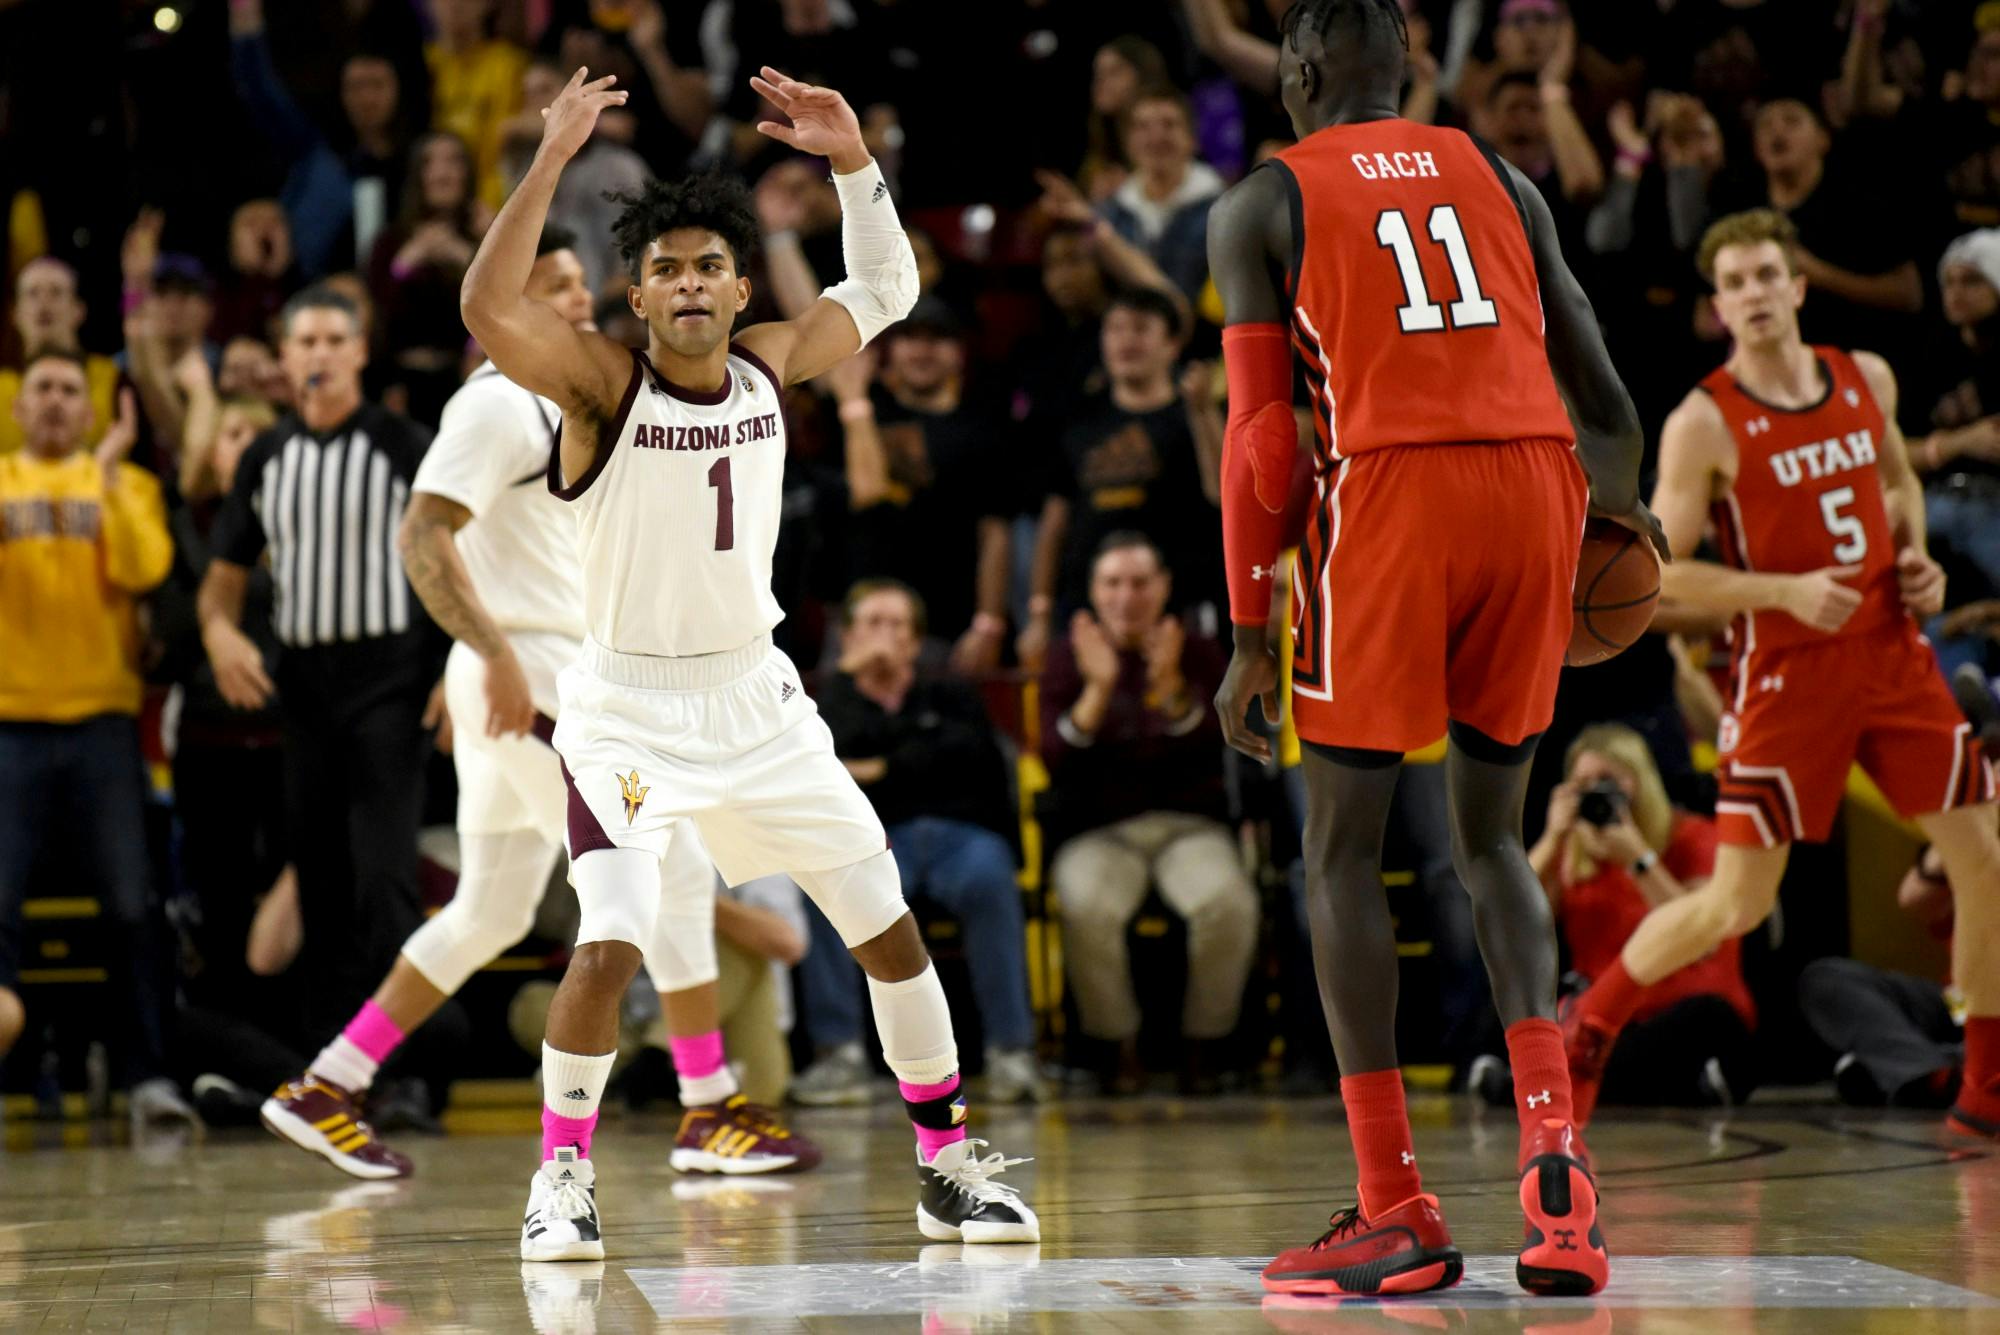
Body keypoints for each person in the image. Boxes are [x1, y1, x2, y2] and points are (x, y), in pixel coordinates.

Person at [459, 64, 1038, 1260]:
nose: (686, 282)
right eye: (662, 267)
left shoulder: (773, 362)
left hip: (758, 698)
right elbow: (485, 306)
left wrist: (852, 161)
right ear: (632, 292)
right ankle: (560, 1176)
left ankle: (944, 1162)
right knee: (608, 939)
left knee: (885, 926)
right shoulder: (596, 382)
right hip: (621, 705)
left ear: (732, 287)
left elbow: (885, 284)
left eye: (706, 265)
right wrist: (551, 160)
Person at [1208, 0, 1665, 1297]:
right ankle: (1555, 1173)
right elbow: (1606, 388)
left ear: (1297, 70)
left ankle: (1394, 1199)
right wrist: (1612, 522)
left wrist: (1251, 632)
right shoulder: (1501, 172)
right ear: (1405, 69)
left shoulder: (1262, 202)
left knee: (1340, 847)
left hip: (1394, 497)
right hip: (1536, 490)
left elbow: (1262, 444)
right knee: (1495, 838)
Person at [257, 226, 817, 1180]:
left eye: (574, 283)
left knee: (493, 907)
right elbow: (424, 537)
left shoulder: (571, 396)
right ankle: (708, 1105)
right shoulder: (496, 404)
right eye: (548, 284)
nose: (573, 299)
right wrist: (487, 654)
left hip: (529, 677)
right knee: (674, 858)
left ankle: (329, 1084)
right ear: (504, 300)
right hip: (534, 686)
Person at [1559, 208, 2000, 1149]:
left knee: (1984, 857)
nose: (1755, 294)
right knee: (1739, 902)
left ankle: (1986, 1087)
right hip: (1788, 671)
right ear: (1719, 308)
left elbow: (1896, 485)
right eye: (1736, 283)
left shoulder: (1865, 376)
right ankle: (1589, 1028)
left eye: (1768, 275)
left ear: (1797, 285)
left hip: (1891, 653)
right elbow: (1662, 575)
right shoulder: (1704, 421)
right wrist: (1781, 590)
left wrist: (1917, 557)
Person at [197, 286, 442, 1053]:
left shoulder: (403, 443)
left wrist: (457, 662)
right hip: (303, 689)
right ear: (284, 358)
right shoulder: (268, 457)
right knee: (318, 877)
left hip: (392, 682)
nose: (321, 354)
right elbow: (223, 575)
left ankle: (408, 1068)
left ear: (362, 351)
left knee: (383, 879)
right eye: (306, 342)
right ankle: (332, 1068)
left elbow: (461, 556)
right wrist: (218, 634)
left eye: (337, 339)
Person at [0, 353, 187, 1131]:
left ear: (93, 410)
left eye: (69, 390)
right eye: (40, 388)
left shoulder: (127, 484)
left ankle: (147, 1077)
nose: (53, 401)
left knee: (132, 906)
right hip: (8, 722)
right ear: (17, 407)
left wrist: (108, 476)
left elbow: (148, 569)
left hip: (103, 725)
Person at [802, 579, 1041, 1106]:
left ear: (916, 642)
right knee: (823, 887)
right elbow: (817, 771)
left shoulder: (951, 691)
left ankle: (1012, 1052)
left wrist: (879, 768)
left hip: (961, 836)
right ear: (847, 638)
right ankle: (837, 1054)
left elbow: (970, 759)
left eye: (897, 626)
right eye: (872, 624)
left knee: (990, 880)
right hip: (877, 843)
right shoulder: (823, 702)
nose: (885, 638)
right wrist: (846, 682)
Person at [1039, 534, 1251, 1095]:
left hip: (1189, 826)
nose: (1126, 597)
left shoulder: (1200, 649)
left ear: (1163, 588)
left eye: (1138, 583)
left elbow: (1220, 746)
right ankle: (1118, 1047)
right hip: (1100, 830)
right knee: (1086, 902)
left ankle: (1205, 1046)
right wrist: (1100, 686)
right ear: (1093, 592)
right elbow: (1054, 758)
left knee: (1227, 901)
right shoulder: (1067, 656)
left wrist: (1172, 688)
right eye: (1112, 583)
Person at [1520, 724, 1753, 1108]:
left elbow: (1704, 934)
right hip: (1608, 1022)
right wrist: (1552, 838)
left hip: (1684, 1009)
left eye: (1608, 781)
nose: (1596, 793)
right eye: (1583, 784)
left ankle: (1546, 1085)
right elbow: (1515, 921)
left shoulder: (1693, 836)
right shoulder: (1575, 854)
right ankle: (1671, 1087)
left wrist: (1637, 858)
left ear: (1640, 782)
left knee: (1708, 1019)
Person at [1024, 285, 1222, 645]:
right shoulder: (1078, 418)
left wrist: (1204, 413)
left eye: (1141, 328)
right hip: (1086, 609)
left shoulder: (1195, 414)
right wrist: (1039, 613)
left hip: (1179, 611)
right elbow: (1054, 523)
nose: (1126, 340)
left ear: (1172, 344)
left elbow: (1225, 493)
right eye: (1115, 329)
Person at [839, 296, 1014, 673]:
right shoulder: (862, 405)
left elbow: (995, 534)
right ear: (891, 349)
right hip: (859, 619)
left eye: (936, 340)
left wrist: (988, 622)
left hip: (945, 624)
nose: (921, 351)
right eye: (909, 338)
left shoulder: (982, 432)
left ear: (958, 353)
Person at [1800, 844, 1965, 1109]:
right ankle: (1931, 1072)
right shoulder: (1976, 828)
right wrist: (1958, 831)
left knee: (1858, 1074)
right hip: (1962, 1003)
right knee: (1826, 979)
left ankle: (1900, 1069)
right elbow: (1912, 898)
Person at [1098, 88, 1225, 306]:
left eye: (1169, 124)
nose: (1156, 137)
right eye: (1143, 127)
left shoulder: (1224, 209)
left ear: (1192, 138)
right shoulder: (1110, 213)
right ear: (1127, 142)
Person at [0, 258, 123, 456]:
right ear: (14, 314)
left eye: (56, 292)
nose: (43, 302)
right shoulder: (2, 383)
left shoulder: (113, 377)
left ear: (79, 310)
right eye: (32, 293)